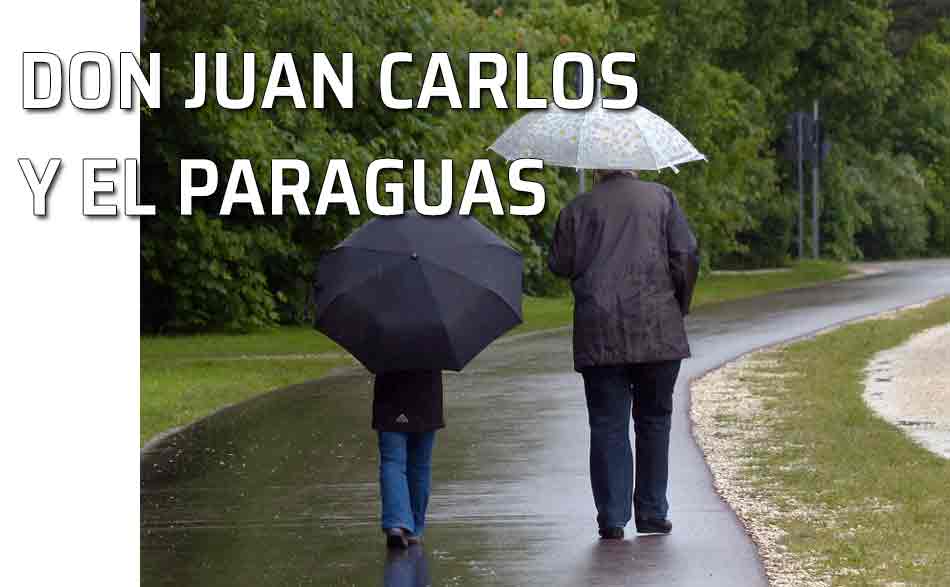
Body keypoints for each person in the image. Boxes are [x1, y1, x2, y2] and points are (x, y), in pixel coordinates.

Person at [548, 169, 699, 539]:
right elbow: (686, 256)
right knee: (654, 421)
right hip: (658, 327)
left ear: (597, 168)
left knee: (607, 424)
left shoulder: (577, 208)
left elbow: (559, 264)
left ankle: (613, 517)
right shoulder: (662, 198)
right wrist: (679, 305)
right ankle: (651, 512)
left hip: (599, 329)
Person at [373, 369, 444, 548]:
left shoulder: (386, 341)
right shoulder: (435, 341)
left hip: (390, 398)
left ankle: (397, 523)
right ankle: (414, 529)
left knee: (392, 463)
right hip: (427, 400)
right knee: (419, 466)